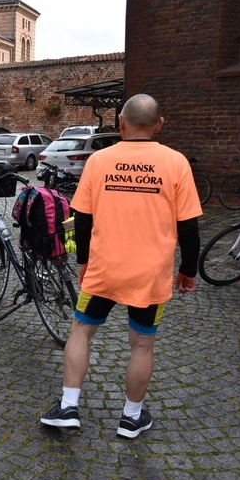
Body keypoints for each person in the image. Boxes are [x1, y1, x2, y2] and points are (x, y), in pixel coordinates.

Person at [39, 94, 202, 439]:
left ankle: (68, 407)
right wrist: (188, 270)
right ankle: (131, 417)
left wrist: (83, 262)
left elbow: (81, 218)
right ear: (159, 125)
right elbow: (188, 227)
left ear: (120, 124)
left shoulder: (100, 160)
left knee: (81, 331)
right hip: (151, 273)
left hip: (104, 268)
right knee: (142, 345)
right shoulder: (176, 162)